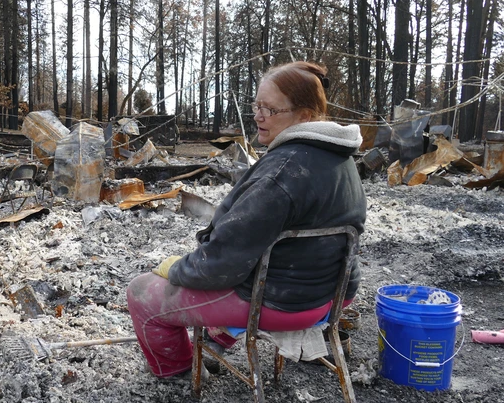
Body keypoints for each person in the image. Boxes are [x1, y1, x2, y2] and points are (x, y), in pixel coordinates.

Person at [126, 61, 367, 378]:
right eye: (257, 105)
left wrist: (178, 269)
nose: (258, 115)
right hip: (333, 298)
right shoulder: (340, 158)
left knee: (141, 292)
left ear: (305, 116)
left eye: (270, 109)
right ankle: (216, 340)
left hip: (282, 305)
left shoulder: (282, 173)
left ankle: (176, 374)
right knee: (253, 266)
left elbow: (222, 264)